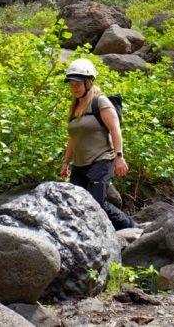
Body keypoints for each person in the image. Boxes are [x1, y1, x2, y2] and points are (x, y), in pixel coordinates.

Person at [58, 58, 135, 230]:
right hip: (79, 165)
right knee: (77, 205)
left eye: (78, 83)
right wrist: (65, 162)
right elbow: (73, 138)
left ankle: (131, 228)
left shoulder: (100, 102)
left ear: (89, 82)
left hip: (101, 161)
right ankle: (125, 227)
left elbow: (115, 130)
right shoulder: (74, 108)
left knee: (95, 205)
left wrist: (119, 157)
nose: (74, 87)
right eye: (71, 84)